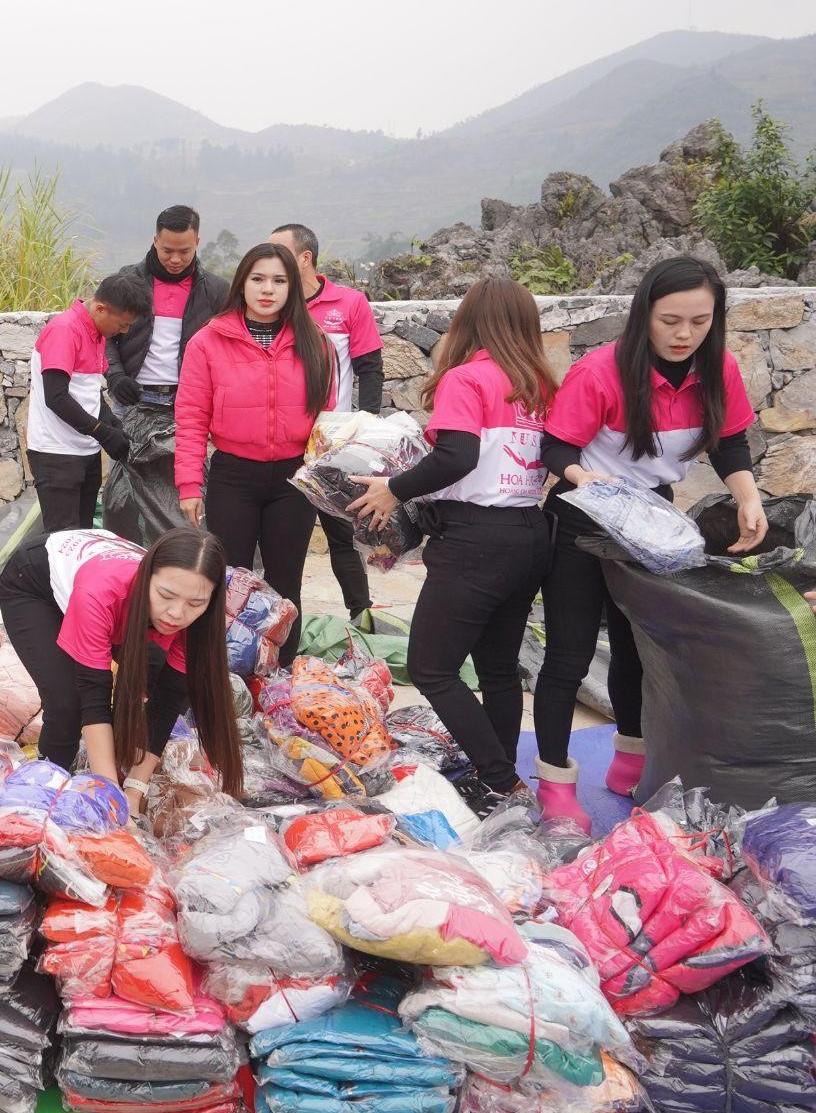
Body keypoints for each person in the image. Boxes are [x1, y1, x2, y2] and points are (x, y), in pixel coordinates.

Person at [532, 256, 765, 829]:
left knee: (639, 650)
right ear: (644, 315)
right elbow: (555, 450)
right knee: (569, 653)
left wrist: (748, 496)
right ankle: (555, 781)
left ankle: (629, 760)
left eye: (700, 321)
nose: (685, 334)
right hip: (584, 518)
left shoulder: (719, 369)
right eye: (670, 320)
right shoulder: (601, 371)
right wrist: (585, 479)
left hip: (652, 523)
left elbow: (730, 442)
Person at [344, 277, 551, 815]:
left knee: (432, 667)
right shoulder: (537, 386)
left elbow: (456, 456)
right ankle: (499, 778)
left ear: (468, 323)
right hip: (529, 536)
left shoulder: (468, 379)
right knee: (499, 670)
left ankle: (502, 782)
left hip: (475, 542)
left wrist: (393, 488)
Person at [0, 526, 243, 810]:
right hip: (35, 585)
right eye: (166, 595)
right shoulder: (101, 592)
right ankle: (44, 794)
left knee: (156, 675)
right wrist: (112, 799)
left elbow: (168, 702)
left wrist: (134, 793)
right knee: (68, 704)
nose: (177, 614)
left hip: (116, 596)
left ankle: (117, 767)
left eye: (195, 603)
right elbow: (93, 696)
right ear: (147, 576)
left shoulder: (203, 618)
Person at [174, 243, 334, 664]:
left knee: (286, 584)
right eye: (258, 279)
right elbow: (190, 417)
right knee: (228, 582)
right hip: (233, 478)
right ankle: (224, 675)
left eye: (279, 281)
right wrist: (189, 483)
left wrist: (326, 479)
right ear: (241, 283)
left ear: (293, 287)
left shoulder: (315, 341)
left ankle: (279, 679)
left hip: (295, 481)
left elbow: (327, 420)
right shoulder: (208, 341)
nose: (268, 290)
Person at [270, 224, 383, 618]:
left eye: (277, 251)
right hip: (282, 441)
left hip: (334, 442)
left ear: (304, 258)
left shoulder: (349, 303)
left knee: (342, 531)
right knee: (280, 536)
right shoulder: (272, 304)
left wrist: (365, 429)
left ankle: (362, 614)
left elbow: (370, 368)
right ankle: (273, 616)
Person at [102, 206, 231, 545]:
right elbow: (105, 335)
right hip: (132, 399)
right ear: (154, 240)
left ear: (198, 243)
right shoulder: (129, 280)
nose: (175, 259)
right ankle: (129, 563)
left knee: (190, 487)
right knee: (123, 496)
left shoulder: (216, 291)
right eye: (167, 250)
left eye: (185, 251)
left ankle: (191, 557)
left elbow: (228, 348)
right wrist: (115, 377)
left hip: (187, 403)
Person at [26, 273, 147, 533]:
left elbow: (89, 392)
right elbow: (56, 397)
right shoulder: (64, 330)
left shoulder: (97, 332)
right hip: (56, 454)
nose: (124, 332)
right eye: (123, 325)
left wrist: (113, 425)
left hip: (85, 451)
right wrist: (102, 433)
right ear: (100, 308)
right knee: (62, 543)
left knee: (83, 537)